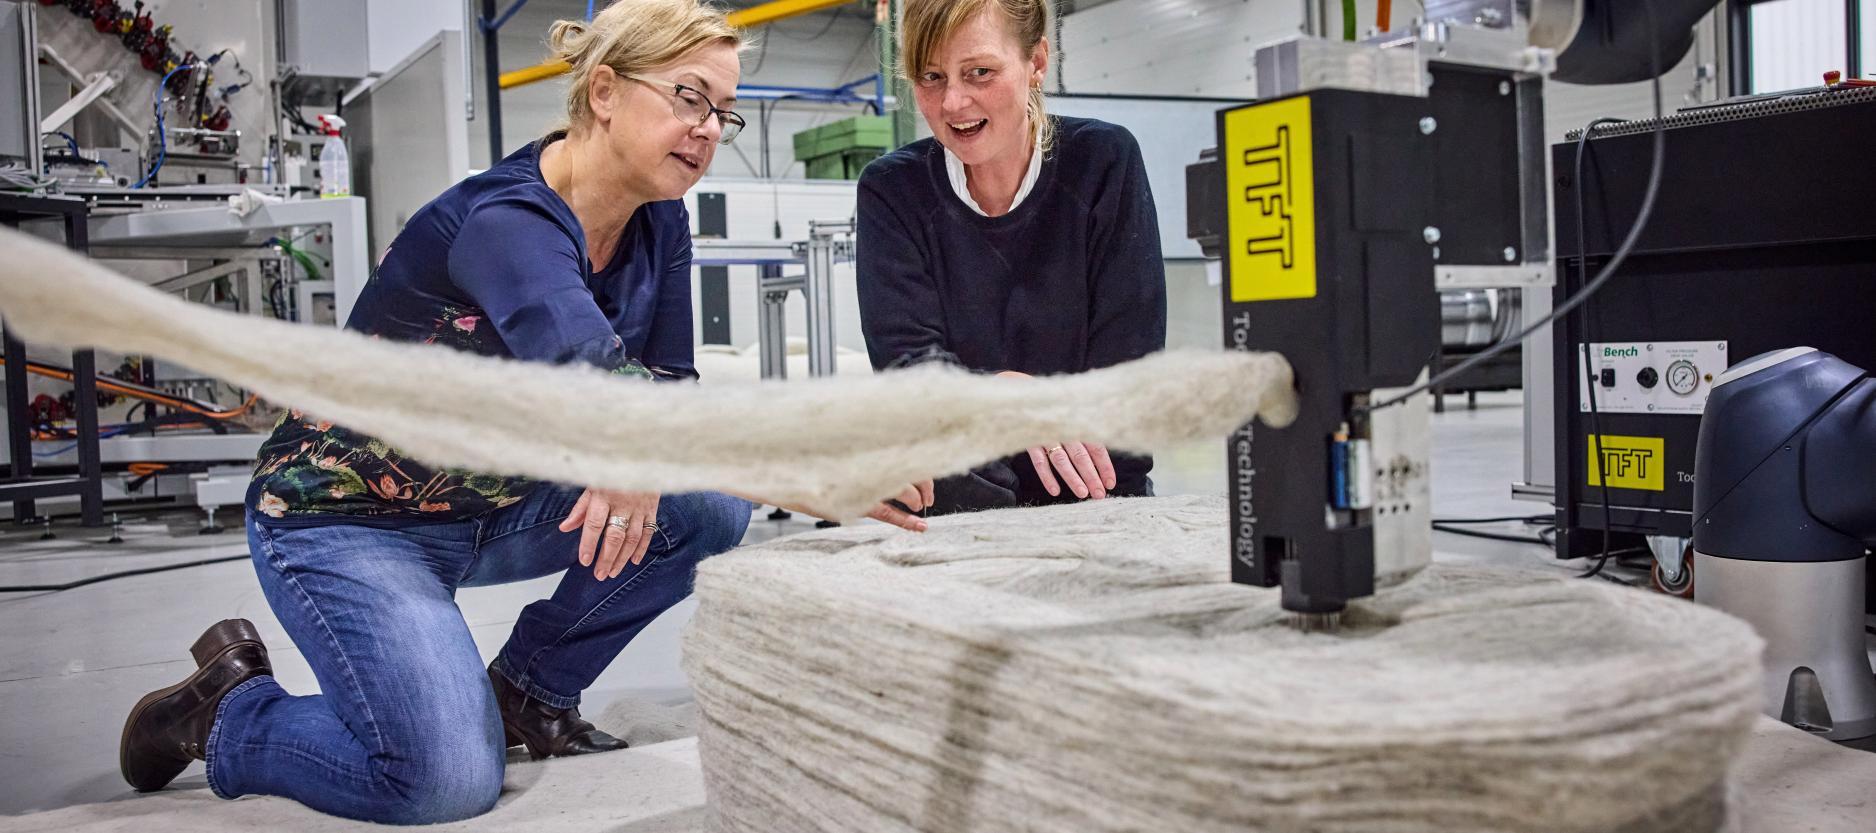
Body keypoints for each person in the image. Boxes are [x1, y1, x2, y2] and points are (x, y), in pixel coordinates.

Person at [116, 1, 923, 824]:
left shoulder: (660, 220)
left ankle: (528, 692)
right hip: (348, 522)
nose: (709, 128)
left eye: (724, 110)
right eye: (688, 96)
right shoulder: (504, 219)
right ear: (603, 91)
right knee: (439, 778)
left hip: (498, 505)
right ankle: (228, 713)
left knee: (707, 505)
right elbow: (592, 375)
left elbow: (667, 390)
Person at [857, 0, 1168, 516]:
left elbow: (1128, 381)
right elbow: (908, 373)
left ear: (1037, 61)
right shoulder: (893, 190)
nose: (953, 102)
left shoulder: (1102, 163)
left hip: (1094, 489)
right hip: (956, 499)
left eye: (979, 72)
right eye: (930, 77)